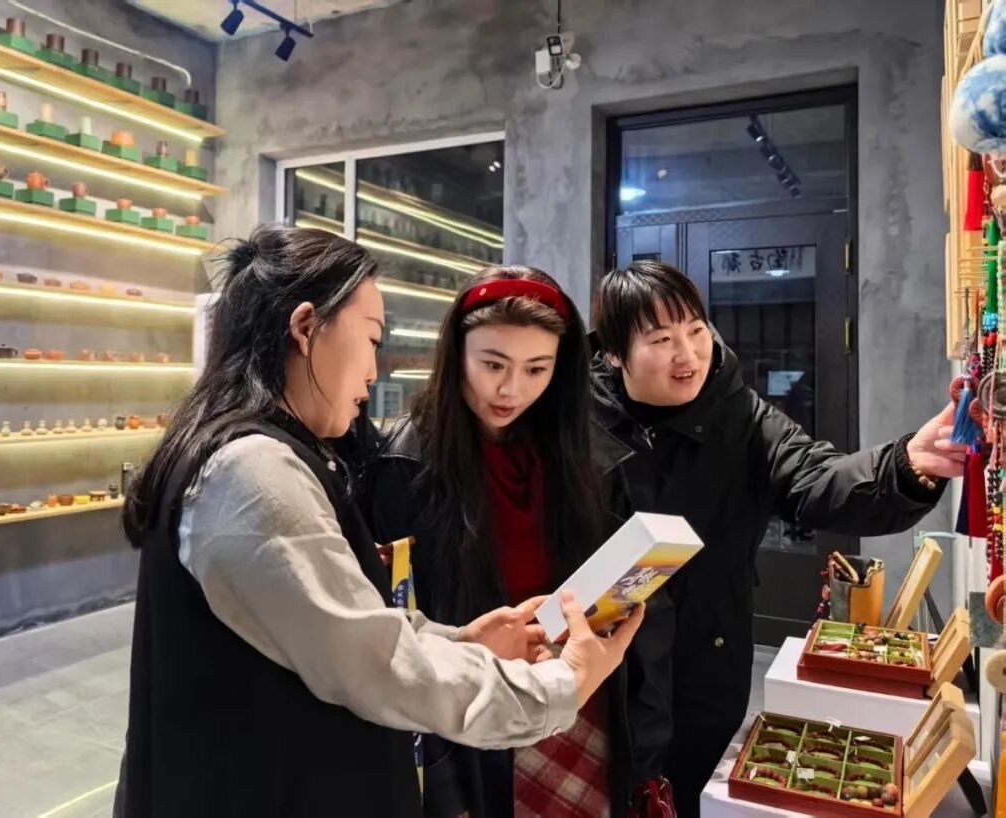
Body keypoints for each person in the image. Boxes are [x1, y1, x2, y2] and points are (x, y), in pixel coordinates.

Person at [113, 227, 643, 818]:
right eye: (371, 339)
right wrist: (558, 689)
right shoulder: (253, 470)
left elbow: (347, 624)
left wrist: (461, 640)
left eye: (537, 368)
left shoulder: (249, 452)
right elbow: (373, 663)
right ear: (306, 327)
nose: (373, 371)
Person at [589, 260, 966, 817]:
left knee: (688, 793)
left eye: (696, 330)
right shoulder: (575, 420)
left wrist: (906, 466)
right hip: (599, 667)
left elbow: (817, 478)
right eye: (662, 340)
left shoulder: (740, 414)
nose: (687, 354)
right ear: (615, 354)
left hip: (705, 661)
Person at [361, 266, 660, 818]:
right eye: (493, 364)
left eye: (536, 369)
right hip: (470, 710)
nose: (510, 389)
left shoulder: (585, 452)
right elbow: (391, 632)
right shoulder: (404, 463)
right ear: (457, 355)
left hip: (582, 696)